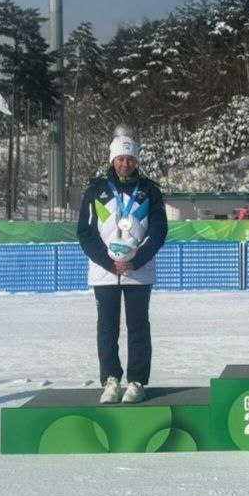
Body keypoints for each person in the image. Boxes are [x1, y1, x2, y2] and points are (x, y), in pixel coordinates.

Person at [77, 126, 168, 404]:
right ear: (112, 160)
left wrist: (135, 260)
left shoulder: (150, 190)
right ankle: (111, 380)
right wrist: (108, 262)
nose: (125, 163)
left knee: (139, 326)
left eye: (130, 159)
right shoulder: (96, 190)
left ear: (136, 161)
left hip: (138, 272)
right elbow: (85, 232)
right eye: (120, 159)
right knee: (107, 327)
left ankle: (137, 381)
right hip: (105, 272)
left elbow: (159, 230)